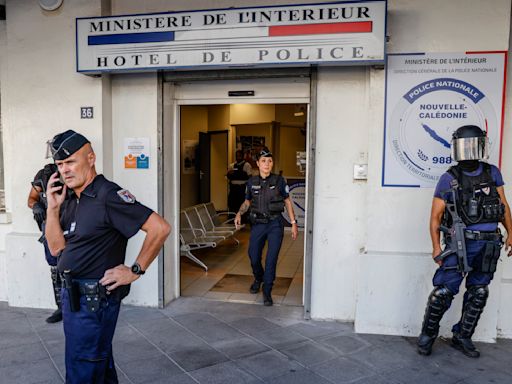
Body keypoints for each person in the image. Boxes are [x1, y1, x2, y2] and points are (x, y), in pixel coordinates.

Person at [45, 130, 171, 383]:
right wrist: (52, 208)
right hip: (72, 298)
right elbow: (56, 248)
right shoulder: (69, 198)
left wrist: (135, 270)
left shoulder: (108, 195)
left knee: (84, 368)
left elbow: (160, 228)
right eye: (60, 164)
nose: (65, 170)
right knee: (96, 364)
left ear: (90, 159)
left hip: (94, 300)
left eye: (71, 162)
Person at [417, 125, 512, 358]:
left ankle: (463, 336)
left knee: (479, 291)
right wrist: (436, 247)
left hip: (489, 243)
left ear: (481, 146)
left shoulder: (492, 173)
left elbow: (503, 205)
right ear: (457, 148)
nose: (469, 151)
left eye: (473, 145)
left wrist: (511, 232)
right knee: (443, 293)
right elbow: (435, 217)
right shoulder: (449, 178)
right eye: (464, 146)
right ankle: (427, 336)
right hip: (461, 244)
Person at [234, 147, 298, 306]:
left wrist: (293, 223)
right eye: (263, 161)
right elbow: (247, 201)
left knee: (271, 259)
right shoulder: (251, 182)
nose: (267, 164)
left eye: (269, 161)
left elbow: (288, 202)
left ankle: (267, 291)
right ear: (257, 164)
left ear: (272, 163)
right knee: (253, 255)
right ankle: (258, 277)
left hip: (275, 224)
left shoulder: (279, 181)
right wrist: (239, 213)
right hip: (258, 225)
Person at [28, 163, 63, 323]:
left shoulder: (75, 173)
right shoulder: (43, 175)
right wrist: (36, 206)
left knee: (75, 265)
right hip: (50, 226)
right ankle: (61, 307)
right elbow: (31, 198)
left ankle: (73, 305)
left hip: (71, 224)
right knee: (55, 267)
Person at [227, 150, 252, 217]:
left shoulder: (247, 165)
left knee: (241, 204)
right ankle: (232, 218)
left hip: (242, 188)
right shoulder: (231, 165)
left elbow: (250, 177)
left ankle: (243, 218)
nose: (238, 157)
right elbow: (228, 176)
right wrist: (230, 173)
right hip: (233, 188)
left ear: (243, 156)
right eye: (237, 156)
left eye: (240, 156)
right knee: (232, 203)